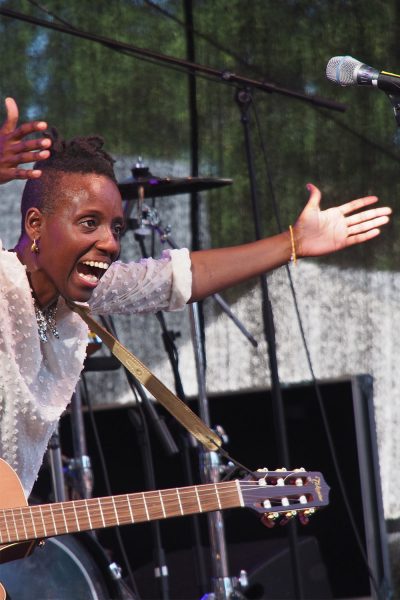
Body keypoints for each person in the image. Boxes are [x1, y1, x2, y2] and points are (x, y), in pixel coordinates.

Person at [0, 97, 392, 499]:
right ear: (35, 224)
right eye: (89, 223)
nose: (110, 243)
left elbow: (178, 278)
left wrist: (293, 242)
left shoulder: (72, 307)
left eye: (116, 228)